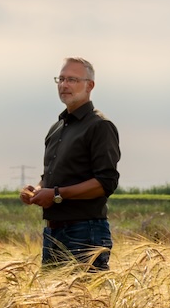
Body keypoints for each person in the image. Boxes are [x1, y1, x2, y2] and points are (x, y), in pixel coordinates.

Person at [20, 57, 120, 270]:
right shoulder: (57, 128)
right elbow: (51, 175)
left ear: (89, 85)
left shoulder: (100, 126)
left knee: (86, 301)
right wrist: (36, 190)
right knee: (53, 303)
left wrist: (55, 194)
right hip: (52, 232)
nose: (64, 85)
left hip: (85, 232)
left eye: (72, 80)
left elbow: (106, 182)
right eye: (61, 79)